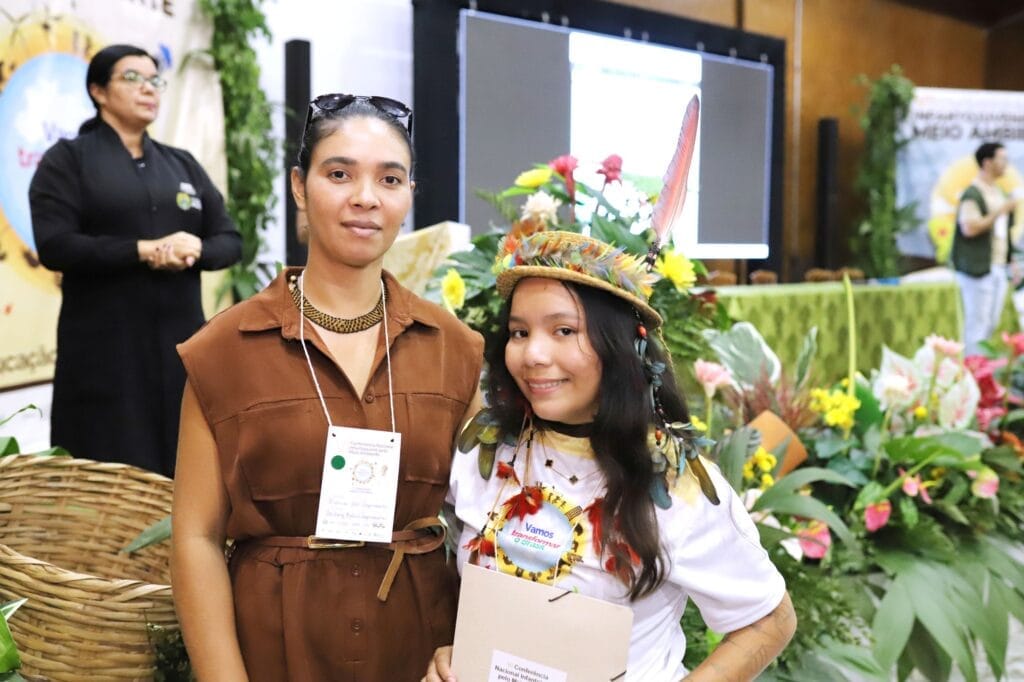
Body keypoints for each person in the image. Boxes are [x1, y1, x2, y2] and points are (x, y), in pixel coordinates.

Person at [171, 93, 484, 681]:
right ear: (300, 186)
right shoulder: (223, 351)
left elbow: (488, 524)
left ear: (409, 194)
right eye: (339, 174)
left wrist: (478, 648)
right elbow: (195, 538)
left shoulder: (455, 348)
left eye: (389, 179)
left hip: (421, 651)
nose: (365, 197)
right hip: (273, 649)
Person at [425, 231, 795, 682]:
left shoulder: (674, 484)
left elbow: (768, 620)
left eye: (564, 331)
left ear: (619, 346)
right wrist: (456, 653)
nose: (533, 354)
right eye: (520, 332)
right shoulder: (484, 445)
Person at [29, 44, 241, 477]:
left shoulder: (181, 164)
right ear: (98, 91)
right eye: (132, 78)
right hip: (105, 352)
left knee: (186, 466)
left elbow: (229, 240)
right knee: (106, 471)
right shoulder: (67, 160)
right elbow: (56, 245)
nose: (148, 88)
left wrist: (195, 249)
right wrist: (143, 250)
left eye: (155, 80)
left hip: (180, 347)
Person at [951, 141, 1021, 355]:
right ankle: (972, 369)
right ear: (987, 162)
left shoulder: (998, 192)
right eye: (1002, 158)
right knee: (977, 325)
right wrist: (1000, 211)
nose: (1006, 163)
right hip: (977, 267)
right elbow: (969, 228)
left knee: (991, 323)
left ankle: (982, 369)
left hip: (997, 265)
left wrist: (1010, 260)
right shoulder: (973, 193)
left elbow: (1002, 233)